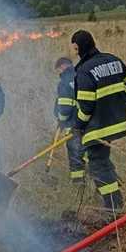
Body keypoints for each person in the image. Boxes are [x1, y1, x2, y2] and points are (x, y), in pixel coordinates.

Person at [71, 29, 126, 214]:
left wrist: (77, 126)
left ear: (79, 47)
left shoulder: (84, 71)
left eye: (75, 48)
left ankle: (113, 209)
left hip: (98, 129)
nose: (75, 52)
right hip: (117, 123)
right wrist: (124, 100)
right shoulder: (113, 60)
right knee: (103, 159)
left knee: (97, 166)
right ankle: (115, 195)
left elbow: (85, 106)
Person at [53, 56, 85, 185]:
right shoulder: (82, 75)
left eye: (58, 71)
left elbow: (65, 107)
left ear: (62, 67)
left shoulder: (64, 82)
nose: (58, 74)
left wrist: (61, 120)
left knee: (75, 153)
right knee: (89, 152)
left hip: (73, 124)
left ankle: (78, 183)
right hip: (87, 122)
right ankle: (103, 178)